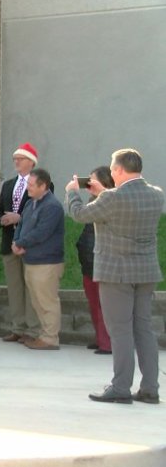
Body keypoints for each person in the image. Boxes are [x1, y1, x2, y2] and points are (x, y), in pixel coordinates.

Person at [66, 149, 162, 405]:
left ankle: (120, 387)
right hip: (146, 271)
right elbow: (122, 210)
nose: (110, 172)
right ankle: (150, 388)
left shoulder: (111, 198)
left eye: (112, 168)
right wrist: (102, 193)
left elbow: (79, 215)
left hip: (116, 272)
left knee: (120, 331)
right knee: (144, 328)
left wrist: (72, 192)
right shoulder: (156, 194)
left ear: (119, 170)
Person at [11, 168, 65, 350]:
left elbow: (42, 233)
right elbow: (22, 225)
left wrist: (21, 243)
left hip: (47, 263)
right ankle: (43, 335)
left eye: (32, 185)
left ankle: (50, 338)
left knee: (47, 301)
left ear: (43, 185)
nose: (28, 188)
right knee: (37, 301)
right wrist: (16, 241)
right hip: (31, 260)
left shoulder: (52, 206)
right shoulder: (30, 203)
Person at [0, 142, 42, 344]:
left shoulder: (40, 183)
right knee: (14, 287)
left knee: (30, 287)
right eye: (15, 158)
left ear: (31, 162)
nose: (16, 161)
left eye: (20, 158)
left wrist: (20, 218)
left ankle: (32, 330)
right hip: (9, 242)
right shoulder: (7, 185)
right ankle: (18, 327)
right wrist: (2, 220)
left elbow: (41, 212)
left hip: (30, 244)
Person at [75, 166, 114, 355]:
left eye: (93, 180)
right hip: (89, 262)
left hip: (100, 262)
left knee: (104, 305)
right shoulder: (93, 201)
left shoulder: (108, 202)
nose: (89, 183)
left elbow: (79, 215)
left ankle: (107, 343)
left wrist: (72, 193)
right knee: (93, 303)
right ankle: (100, 339)